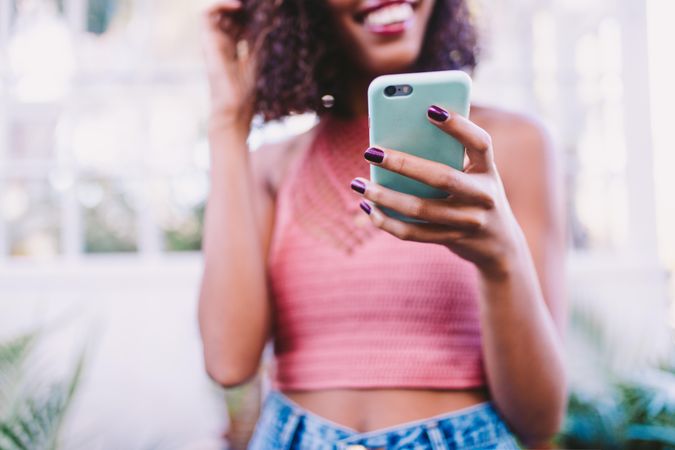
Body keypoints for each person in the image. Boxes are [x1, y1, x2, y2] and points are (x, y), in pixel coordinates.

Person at [198, 0, 567, 448]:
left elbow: (539, 418)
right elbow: (228, 362)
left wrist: (499, 258)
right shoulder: (272, 166)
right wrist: (227, 121)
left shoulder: (513, 145)